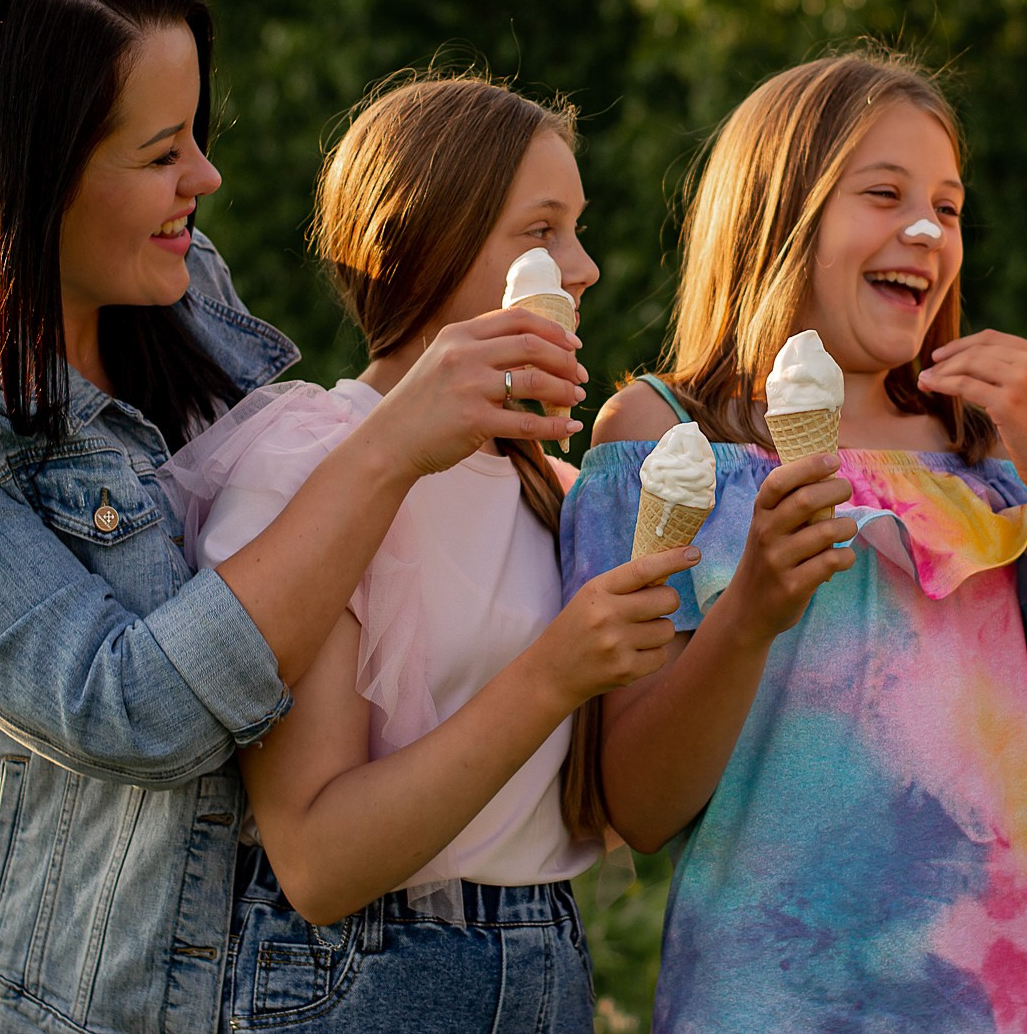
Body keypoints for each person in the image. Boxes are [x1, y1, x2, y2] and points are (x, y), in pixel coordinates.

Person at [0, 0, 580, 1032]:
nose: (203, 179)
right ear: (25, 175)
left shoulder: (174, 283)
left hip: (258, 986)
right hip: (65, 1003)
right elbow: (132, 711)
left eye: (196, 136)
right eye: (161, 152)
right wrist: (392, 446)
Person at [561, 51, 1027, 1031]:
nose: (924, 230)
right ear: (780, 212)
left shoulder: (987, 454)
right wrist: (749, 613)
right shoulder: (663, 441)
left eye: (947, 208)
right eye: (883, 193)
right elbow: (636, 808)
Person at [158, 75, 691, 1033]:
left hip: (549, 963)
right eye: (542, 231)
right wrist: (556, 671)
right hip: (365, 979)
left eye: (578, 228)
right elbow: (318, 863)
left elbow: (608, 809)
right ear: (423, 244)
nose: (585, 266)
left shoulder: (554, 490)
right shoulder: (318, 466)